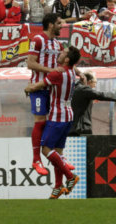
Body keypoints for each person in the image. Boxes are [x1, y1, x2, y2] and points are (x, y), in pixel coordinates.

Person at [25, 46, 81, 199]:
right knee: (58, 153)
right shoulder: (71, 72)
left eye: (64, 53)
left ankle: (70, 177)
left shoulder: (58, 73)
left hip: (57, 116)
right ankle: (57, 187)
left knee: (46, 150)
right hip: (68, 115)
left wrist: (28, 88)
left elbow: (38, 86)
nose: (60, 53)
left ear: (67, 59)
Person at [27, 13, 78, 176]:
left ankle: (60, 157)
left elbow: (67, 62)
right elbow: (30, 63)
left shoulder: (57, 44)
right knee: (40, 121)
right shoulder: (37, 39)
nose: (60, 26)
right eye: (58, 23)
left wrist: (81, 73)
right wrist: (51, 71)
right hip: (39, 88)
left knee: (53, 124)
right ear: (50, 25)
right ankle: (36, 159)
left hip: (51, 90)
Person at [68, 71, 116, 136]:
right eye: (95, 82)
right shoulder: (83, 89)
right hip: (81, 128)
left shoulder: (74, 88)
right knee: (86, 145)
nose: (95, 85)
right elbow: (101, 95)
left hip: (71, 126)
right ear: (89, 81)